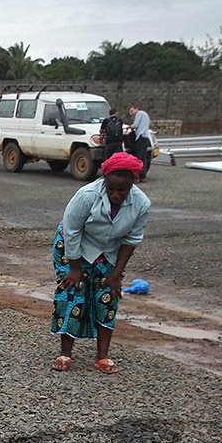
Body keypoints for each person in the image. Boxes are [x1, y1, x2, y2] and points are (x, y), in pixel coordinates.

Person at [50, 151, 151, 374]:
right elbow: (72, 230)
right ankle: (65, 353)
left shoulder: (141, 203)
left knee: (107, 297)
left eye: (122, 190)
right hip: (74, 247)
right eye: (111, 189)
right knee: (73, 293)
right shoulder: (87, 195)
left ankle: (102, 356)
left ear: (132, 185)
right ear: (104, 181)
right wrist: (75, 267)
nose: (116, 194)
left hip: (109, 250)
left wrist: (116, 275)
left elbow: (131, 239)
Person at [128, 105, 152, 182]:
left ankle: (137, 176)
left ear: (136, 109)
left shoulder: (140, 113)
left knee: (138, 157)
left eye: (132, 111)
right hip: (146, 138)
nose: (131, 113)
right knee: (143, 157)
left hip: (141, 137)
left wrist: (129, 127)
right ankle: (143, 175)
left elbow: (135, 125)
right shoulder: (145, 115)